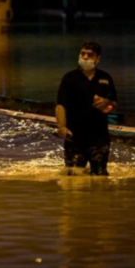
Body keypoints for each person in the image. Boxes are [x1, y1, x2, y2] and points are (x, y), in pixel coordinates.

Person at [56, 42, 118, 176]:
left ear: (98, 59)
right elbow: (61, 105)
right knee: (73, 178)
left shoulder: (105, 78)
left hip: (99, 136)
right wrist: (61, 126)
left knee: (100, 176)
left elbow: (114, 102)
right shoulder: (70, 78)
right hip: (74, 136)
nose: (85, 57)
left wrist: (107, 103)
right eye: (82, 54)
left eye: (90, 55)